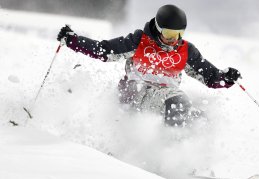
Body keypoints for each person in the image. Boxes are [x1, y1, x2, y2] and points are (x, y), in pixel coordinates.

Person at [57, 4, 241, 126]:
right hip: (135, 90)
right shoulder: (139, 41)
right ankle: (166, 153)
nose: (173, 40)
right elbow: (104, 50)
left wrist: (225, 77)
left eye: (179, 34)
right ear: (159, 28)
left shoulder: (186, 50)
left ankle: (182, 160)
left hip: (166, 94)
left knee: (199, 119)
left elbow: (210, 77)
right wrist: (73, 40)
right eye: (169, 34)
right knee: (178, 105)